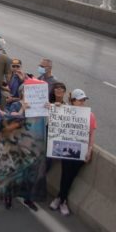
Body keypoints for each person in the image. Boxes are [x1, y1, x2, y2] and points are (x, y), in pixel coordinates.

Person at [49, 89, 96, 217]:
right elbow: (50, 113)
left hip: (80, 152)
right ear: (72, 101)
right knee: (65, 175)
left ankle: (60, 199)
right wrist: (56, 106)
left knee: (71, 176)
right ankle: (62, 200)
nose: (82, 102)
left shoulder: (90, 116)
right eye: (79, 100)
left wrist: (90, 150)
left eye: (83, 100)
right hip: (66, 150)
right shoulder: (65, 111)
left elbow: (91, 135)